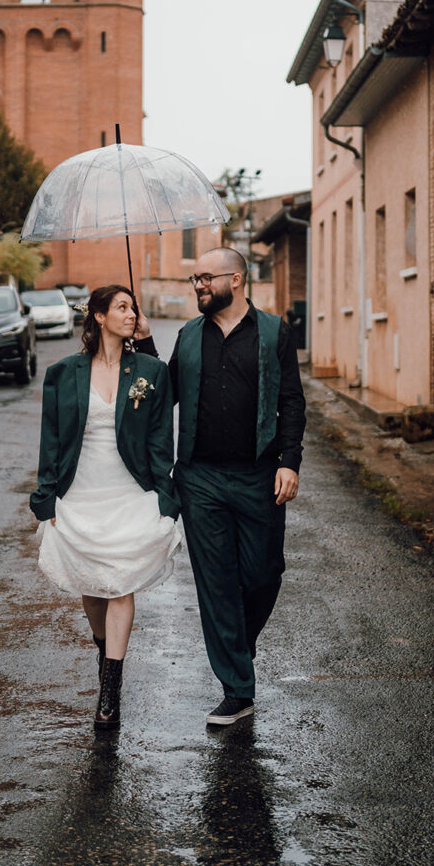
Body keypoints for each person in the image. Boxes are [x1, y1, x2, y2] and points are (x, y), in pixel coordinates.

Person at [136, 247, 305, 727]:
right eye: (194, 279)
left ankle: (238, 645)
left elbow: (291, 402)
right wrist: (146, 345)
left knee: (263, 573)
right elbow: (163, 394)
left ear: (237, 278)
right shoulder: (189, 335)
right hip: (200, 478)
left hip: (259, 474)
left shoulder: (274, 332)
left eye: (206, 278)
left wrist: (289, 462)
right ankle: (237, 688)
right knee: (216, 585)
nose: (198, 286)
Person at [30, 284, 181, 729]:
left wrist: (164, 495)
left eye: (133, 308)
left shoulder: (149, 371)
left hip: (130, 493)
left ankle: (109, 690)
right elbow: (51, 441)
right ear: (97, 316)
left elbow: (160, 438)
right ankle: (104, 648)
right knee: (93, 588)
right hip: (81, 493)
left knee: (120, 585)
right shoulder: (63, 374)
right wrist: (46, 494)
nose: (130, 314)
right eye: (121, 307)